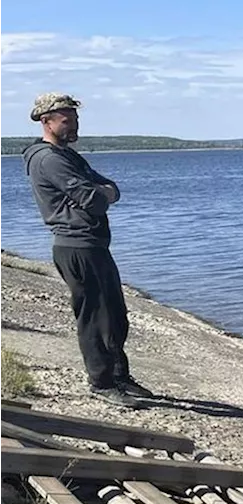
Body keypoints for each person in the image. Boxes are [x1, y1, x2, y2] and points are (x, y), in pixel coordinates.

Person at [22, 92, 152, 408]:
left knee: (115, 316)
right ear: (46, 121)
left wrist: (102, 192)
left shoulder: (69, 157)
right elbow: (94, 199)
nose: (74, 124)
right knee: (94, 317)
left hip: (93, 245)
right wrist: (101, 194)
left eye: (75, 118)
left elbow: (109, 187)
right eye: (67, 119)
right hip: (75, 245)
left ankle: (119, 375)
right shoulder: (49, 159)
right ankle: (102, 382)